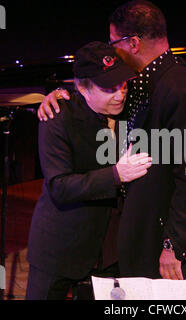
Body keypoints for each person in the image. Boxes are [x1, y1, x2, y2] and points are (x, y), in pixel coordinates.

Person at [38, 0, 186, 281]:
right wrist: (61, 93)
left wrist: (174, 245)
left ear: (133, 43)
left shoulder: (178, 88)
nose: (113, 52)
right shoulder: (139, 80)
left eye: (114, 43)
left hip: (166, 238)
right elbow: (94, 89)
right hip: (141, 233)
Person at [25, 41, 152, 300]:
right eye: (108, 88)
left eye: (122, 84)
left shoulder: (130, 110)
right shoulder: (58, 117)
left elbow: (165, 127)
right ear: (82, 87)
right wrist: (117, 175)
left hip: (109, 250)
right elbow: (60, 187)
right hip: (60, 247)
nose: (119, 94)